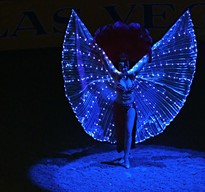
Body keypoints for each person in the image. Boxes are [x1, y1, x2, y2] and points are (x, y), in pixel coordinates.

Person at [61, 10, 197, 169]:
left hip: (130, 107)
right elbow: (104, 59)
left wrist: (153, 49)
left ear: (128, 63)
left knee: (128, 131)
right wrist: (98, 50)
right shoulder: (115, 75)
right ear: (119, 63)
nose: (123, 65)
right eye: (121, 63)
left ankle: (126, 159)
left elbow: (145, 60)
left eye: (125, 63)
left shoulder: (132, 75)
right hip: (118, 108)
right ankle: (123, 157)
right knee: (120, 133)